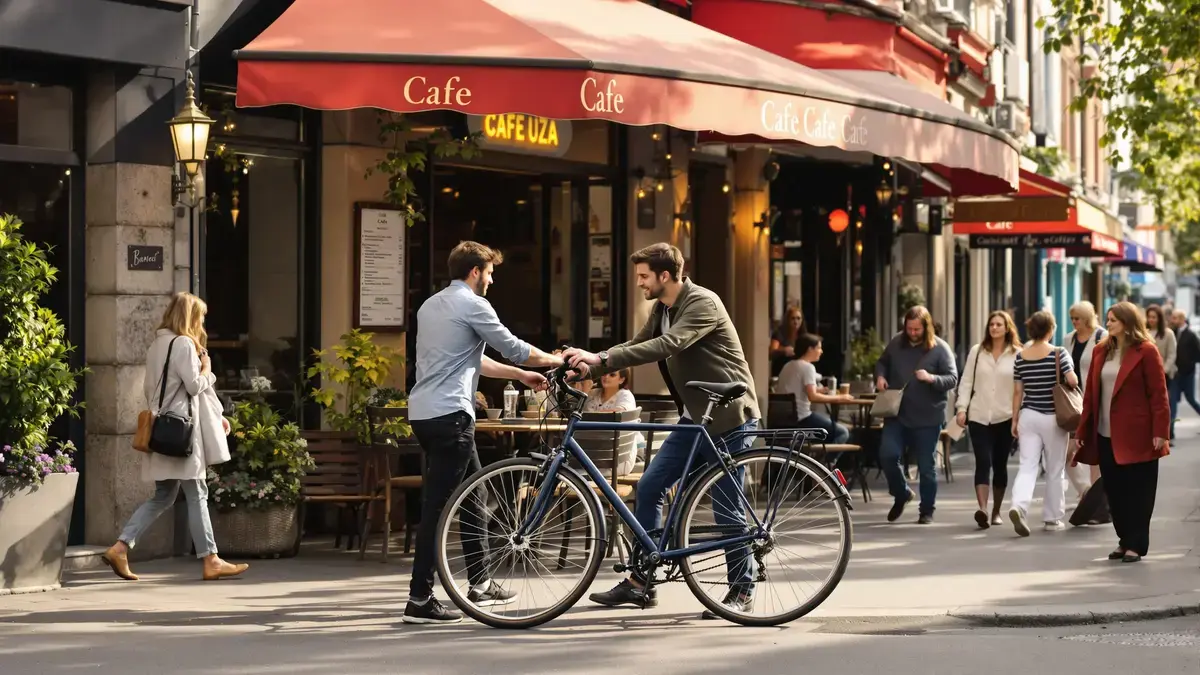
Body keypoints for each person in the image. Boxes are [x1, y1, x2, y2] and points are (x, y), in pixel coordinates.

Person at [563, 242, 760, 619]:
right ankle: (642, 580)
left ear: (664, 276)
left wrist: (601, 359)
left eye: (643, 276)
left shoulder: (703, 303)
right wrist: (590, 367)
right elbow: (638, 344)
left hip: (730, 416)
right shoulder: (662, 307)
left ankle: (742, 590)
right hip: (695, 417)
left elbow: (668, 345)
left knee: (726, 508)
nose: (639, 283)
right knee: (651, 486)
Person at [402, 241, 563, 625]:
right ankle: (419, 598)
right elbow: (515, 348)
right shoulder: (474, 304)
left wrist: (521, 376)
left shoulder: (431, 305)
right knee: (438, 509)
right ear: (475, 271)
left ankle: (479, 581)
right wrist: (562, 359)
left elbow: (476, 358)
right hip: (451, 416)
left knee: (476, 493)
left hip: (425, 413)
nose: (492, 279)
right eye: (490, 272)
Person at [101, 292, 249, 582]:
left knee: (163, 496)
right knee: (197, 493)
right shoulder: (182, 344)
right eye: (201, 316)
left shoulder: (157, 345)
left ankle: (121, 547)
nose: (203, 322)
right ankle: (212, 559)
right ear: (190, 317)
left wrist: (214, 415)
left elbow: (154, 389)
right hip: (183, 433)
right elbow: (194, 386)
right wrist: (209, 370)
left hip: (164, 430)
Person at [1072, 302, 1170, 562]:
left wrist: (1160, 431)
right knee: (1115, 491)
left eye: (1113, 319)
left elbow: (1159, 395)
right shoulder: (1100, 351)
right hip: (1105, 433)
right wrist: (1083, 429)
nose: (1108, 323)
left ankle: (1136, 544)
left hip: (1139, 433)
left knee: (1139, 491)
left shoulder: (1146, 351)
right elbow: (1091, 396)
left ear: (1127, 322)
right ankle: (1124, 538)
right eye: (1108, 319)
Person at [875, 306, 959, 524]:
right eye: (909, 329)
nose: (912, 333)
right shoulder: (896, 342)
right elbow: (882, 362)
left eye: (917, 329)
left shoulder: (940, 348)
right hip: (897, 413)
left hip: (928, 416)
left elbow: (952, 379)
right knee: (888, 454)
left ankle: (927, 510)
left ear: (926, 327)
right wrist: (880, 376)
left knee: (926, 465)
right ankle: (901, 494)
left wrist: (931, 378)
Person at [1008, 311, 1078, 536]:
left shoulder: (1020, 356)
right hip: (1053, 418)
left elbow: (1018, 391)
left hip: (1028, 415)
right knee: (1055, 468)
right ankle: (1052, 518)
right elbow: (1072, 380)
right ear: (1051, 330)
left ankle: (1019, 506)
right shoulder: (1059, 353)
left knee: (1028, 465)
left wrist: (1015, 419)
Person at [955, 311, 1021, 529]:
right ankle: (982, 509)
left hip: (1005, 417)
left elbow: (1022, 389)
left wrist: (1018, 416)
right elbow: (966, 382)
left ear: (1007, 328)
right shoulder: (977, 351)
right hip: (979, 415)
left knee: (1000, 465)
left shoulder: (1017, 354)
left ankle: (996, 511)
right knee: (983, 461)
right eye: (991, 324)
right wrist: (961, 408)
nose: (994, 328)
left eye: (999, 324)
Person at [1063, 301, 1107, 517]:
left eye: (1077, 318)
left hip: (1095, 402)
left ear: (1087, 318)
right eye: (1072, 318)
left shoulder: (1102, 337)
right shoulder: (1067, 339)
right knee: (1067, 453)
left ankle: (1095, 502)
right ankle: (1087, 492)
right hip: (1072, 402)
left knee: (1093, 453)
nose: (1074, 322)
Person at [776, 333, 852, 446]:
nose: (821, 351)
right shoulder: (808, 367)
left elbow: (798, 389)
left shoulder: (788, 366)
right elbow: (813, 397)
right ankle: (827, 463)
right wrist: (842, 397)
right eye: (819, 348)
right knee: (842, 433)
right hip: (802, 419)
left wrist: (819, 390)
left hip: (783, 419)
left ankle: (815, 460)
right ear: (810, 349)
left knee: (825, 434)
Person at [1169, 309, 1200, 437]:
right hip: (1175, 374)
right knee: (1172, 402)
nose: (1173, 320)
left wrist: (1189, 363)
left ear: (1182, 319)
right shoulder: (1172, 333)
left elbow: (1198, 353)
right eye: (1172, 317)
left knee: (1191, 399)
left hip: (1187, 374)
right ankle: (1170, 431)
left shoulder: (1191, 335)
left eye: (1175, 318)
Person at [769, 306, 807, 377]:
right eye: (793, 318)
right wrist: (784, 350)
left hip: (797, 373)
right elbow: (771, 351)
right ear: (788, 320)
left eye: (798, 318)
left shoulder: (803, 335)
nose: (796, 322)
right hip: (780, 370)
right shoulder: (780, 333)